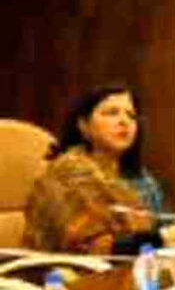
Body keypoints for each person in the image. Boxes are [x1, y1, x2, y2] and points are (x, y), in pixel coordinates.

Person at [23, 84, 165, 255]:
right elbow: (89, 248)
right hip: (72, 269)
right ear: (84, 125)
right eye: (111, 113)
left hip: (139, 266)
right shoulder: (67, 176)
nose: (124, 121)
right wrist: (160, 240)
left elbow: (159, 231)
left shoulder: (142, 179)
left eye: (131, 116)